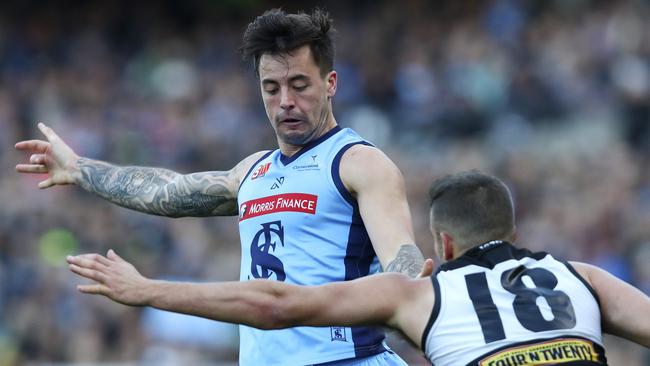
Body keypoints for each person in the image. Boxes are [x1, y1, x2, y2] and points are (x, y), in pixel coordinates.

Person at [15, 8, 427, 366]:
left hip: (346, 358)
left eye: (299, 85)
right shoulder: (252, 172)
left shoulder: (358, 162)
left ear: (331, 83)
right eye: (271, 88)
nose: (285, 100)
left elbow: (402, 266)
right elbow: (168, 193)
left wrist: (414, 285)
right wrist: (80, 168)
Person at [67, 171, 650, 365]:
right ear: (515, 233)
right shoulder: (583, 277)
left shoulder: (420, 295)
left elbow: (275, 303)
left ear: (442, 243)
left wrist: (146, 290)